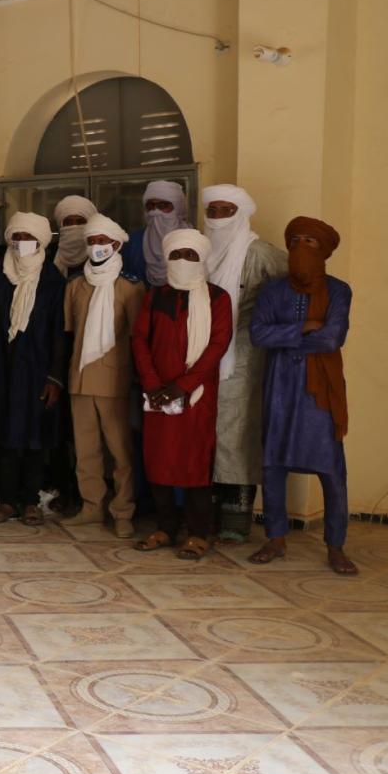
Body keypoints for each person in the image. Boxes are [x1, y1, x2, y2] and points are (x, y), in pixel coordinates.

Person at [250, 217, 356, 575]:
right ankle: (275, 539)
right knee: (273, 463)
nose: (301, 247)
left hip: (320, 392)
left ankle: (336, 545)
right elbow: (258, 335)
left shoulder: (338, 291)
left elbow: (332, 338)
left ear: (324, 249)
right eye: (295, 239)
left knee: (331, 468)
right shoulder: (272, 291)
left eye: (310, 241)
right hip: (279, 385)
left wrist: (285, 335)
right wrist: (305, 327)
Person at [132, 229, 233, 560]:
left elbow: (218, 344)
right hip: (157, 394)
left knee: (195, 463)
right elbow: (140, 340)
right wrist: (152, 384)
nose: (183, 260)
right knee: (158, 459)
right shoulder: (155, 296)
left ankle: (197, 533)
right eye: (176, 254)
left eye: (191, 255)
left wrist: (183, 386)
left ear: (202, 259)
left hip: (196, 396)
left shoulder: (217, 298)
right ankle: (165, 528)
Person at [198, 185, 287, 544]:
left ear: (242, 213)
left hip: (243, 360)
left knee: (237, 436)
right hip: (200, 358)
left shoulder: (260, 252)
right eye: (213, 210)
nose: (218, 218)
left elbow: (291, 291)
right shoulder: (199, 250)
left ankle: (236, 521)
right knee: (205, 435)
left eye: (226, 210)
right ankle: (207, 516)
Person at [0, 212, 66, 526]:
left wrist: (55, 378)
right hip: (2, 370)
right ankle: (6, 502)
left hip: (37, 371)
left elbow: (59, 332)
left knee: (34, 438)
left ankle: (30, 501)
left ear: (41, 242)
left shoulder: (53, 281)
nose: (22, 243)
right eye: (17, 237)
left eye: (29, 237)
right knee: (5, 437)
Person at [61, 214, 144, 537]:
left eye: (103, 241)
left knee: (120, 451)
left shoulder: (131, 287)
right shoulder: (76, 285)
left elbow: (138, 338)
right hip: (80, 377)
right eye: (92, 241)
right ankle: (91, 507)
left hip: (115, 380)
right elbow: (70, 332)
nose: (97, 246)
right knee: (86, 449)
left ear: (117, 245)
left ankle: (123, 512)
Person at [136, 180, 189, 287]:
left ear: (178, 208)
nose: (155, 211)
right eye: (150, 206)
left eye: (163, 205)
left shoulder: (193, 239)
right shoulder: (135, 240)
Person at [53, 194, 97, 279]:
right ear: (61, 225)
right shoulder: (48, 256)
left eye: (80, 222)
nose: (74, 226)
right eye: (68, 223)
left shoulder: (99, 256)